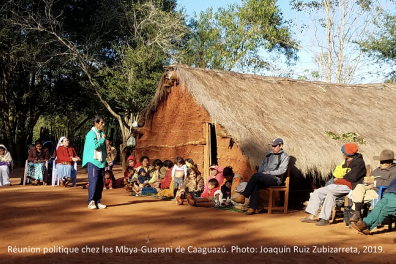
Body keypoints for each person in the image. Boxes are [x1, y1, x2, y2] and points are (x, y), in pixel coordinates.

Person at [301, 143, 366, 226]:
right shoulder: (346, 161)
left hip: (349, 185)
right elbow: (337, 172)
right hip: (338, 183)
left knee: (331, 193)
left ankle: (324, 219)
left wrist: (341, 176)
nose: (342, 154)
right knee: (318, 192)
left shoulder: (359, 162)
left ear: (348, 153)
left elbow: (353, 177)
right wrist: (342, 175)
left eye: (343, 152)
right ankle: (312, 216)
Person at [233, 138, 290, 215]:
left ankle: (244, 195)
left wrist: (268, 173)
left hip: (275, 179)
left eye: (275, 146)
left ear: (280, 146)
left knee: (256, 176)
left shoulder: (285, 157)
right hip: (263, 177)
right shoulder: (268, 154)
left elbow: (282, 170)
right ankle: (252, 208)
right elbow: (262, 165)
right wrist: (261, 173)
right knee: (256, 182)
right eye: (272, 146)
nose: (273, 148)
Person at [350, 149, 396, 222]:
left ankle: (356, 215)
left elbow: (390, 183)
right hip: (370, 188)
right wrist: (366, 182)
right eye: (380, 161)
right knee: (359, 187)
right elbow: (369, 179)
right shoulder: (377, 170)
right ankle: (357, 214)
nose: (381, 163)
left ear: (390, 162)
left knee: (357, 196)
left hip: (381, 191)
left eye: (383, 162)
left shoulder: (394, 171)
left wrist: (374, 183)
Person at [82, 115, 107, 210]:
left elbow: (103, 150)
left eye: (103, 122)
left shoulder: (101, 133)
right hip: (93, 161)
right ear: (95, 123)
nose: (103, 124)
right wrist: (103, 139)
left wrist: (105, 161)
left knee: (100, 182)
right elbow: (96, 146)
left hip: (101, 162)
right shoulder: (91, 134)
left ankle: (97, 201)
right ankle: (91, 201)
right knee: (94, 182)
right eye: (101, 122)